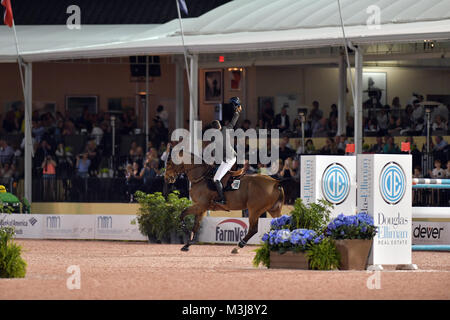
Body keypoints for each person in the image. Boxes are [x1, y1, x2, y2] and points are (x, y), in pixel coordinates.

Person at [211, 97, 242, 205]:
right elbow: (233, 121)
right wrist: (237, 111)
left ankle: (223, 198)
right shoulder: (225, 129)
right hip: (233, 156)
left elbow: (215, 153)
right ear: (220, 125)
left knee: (216, 179)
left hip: (228, 160)